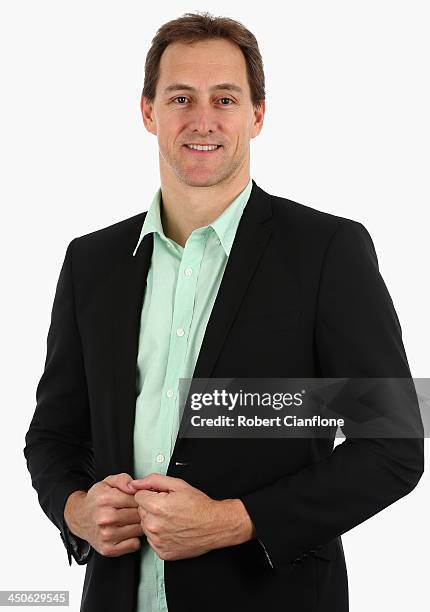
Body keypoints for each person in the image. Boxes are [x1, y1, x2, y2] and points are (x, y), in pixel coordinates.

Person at [23, 10, 424, 612]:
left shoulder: (326, 252)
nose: (201, 119)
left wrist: (234, 521)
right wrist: (76, 509)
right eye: (180, 97)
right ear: (148, 112)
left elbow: (393, 444)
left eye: (226, 99)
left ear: (257, 115)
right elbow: (53, 435)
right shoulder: (92, 262)